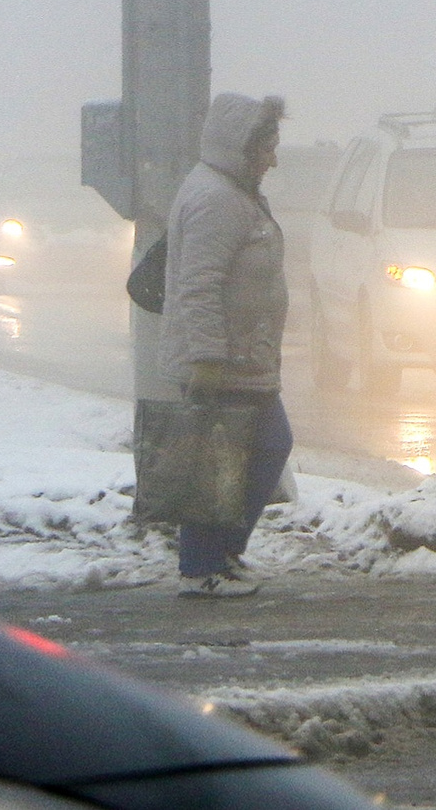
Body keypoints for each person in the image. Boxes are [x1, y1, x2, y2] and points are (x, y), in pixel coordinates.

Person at [159, 93, 291, 599]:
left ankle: (223, 556)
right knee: (216, 461)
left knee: (248, 453)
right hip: (223, 361)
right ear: (240, 146)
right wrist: (209, 358)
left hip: (244, 356)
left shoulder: (235, 192)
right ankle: (202, 566)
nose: (273, 159)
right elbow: (199, 284)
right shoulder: (216, 198)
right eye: (267, 147)